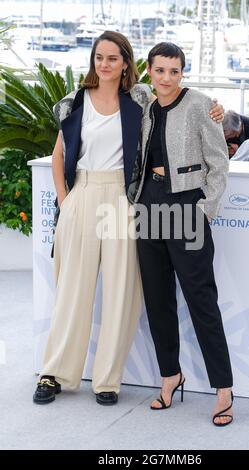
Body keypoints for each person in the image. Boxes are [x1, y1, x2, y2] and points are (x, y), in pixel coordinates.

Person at [33, 32, 224, 406]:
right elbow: (59, 155)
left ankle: (107, 380)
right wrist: (65, 199)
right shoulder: (73, 103)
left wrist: (217, 108)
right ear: (93, 61)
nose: (104, 64)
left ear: (126, 64)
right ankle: (53, 373)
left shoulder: (138, 100)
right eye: (99, 58)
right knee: (73, 290)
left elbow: (176, 97)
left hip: (123, 200)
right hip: (82, 196)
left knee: (122, 293)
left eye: (113, 59)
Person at [133, 43, 234, 426]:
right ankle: (169, 375)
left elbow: (219, 162)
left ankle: (223, 388)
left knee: (201, 300)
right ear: (149, 70)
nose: (167, 78)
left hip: (187, 205)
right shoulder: (142, 99)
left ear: (182, 72)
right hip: (148, 206)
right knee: (158, 300)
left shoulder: (200, 104)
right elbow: (101, 90)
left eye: (174, 71)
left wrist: (205, 210)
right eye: (160, 70)